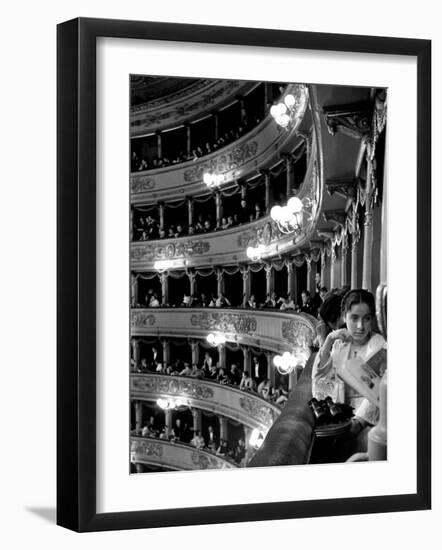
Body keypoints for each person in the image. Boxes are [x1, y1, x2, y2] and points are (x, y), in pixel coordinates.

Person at [312, 289, 386, 441]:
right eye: (354, 318)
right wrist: (328, 340)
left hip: (369, 423)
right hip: (343, 417)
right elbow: (319, 380)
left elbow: (379, 393)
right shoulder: (340, 344)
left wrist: (358, 422)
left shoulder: (379, 345)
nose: (360, 326)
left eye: (366, 319)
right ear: (344, 317)